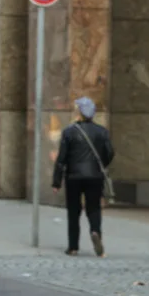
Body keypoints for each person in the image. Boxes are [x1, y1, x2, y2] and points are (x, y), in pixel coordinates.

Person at [52, 97, 114, 257]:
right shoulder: (102, 131)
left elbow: (61, 159)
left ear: (78, 112)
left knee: (73, 211)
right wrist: (101, 166)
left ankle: (73, 247)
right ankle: (95, 233)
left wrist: (56, 181)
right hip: (95, 176)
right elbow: (109, 153)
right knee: (94, 208)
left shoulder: (69, 132)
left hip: (73, 177)